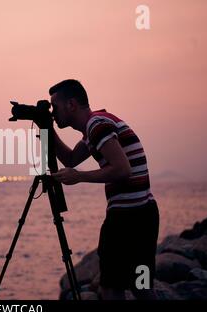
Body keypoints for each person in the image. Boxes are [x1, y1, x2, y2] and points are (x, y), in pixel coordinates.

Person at [49, 79, 159, 300]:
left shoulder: (96, 125)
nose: (53, 113)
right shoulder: (97, 125)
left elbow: (122, 169)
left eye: (55, 107)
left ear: (71, 104)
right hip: (145, 214)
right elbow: (70, 159)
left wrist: (79, 177)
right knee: (142, 285)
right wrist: (47, 129)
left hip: (126, 218)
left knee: (110, 288)